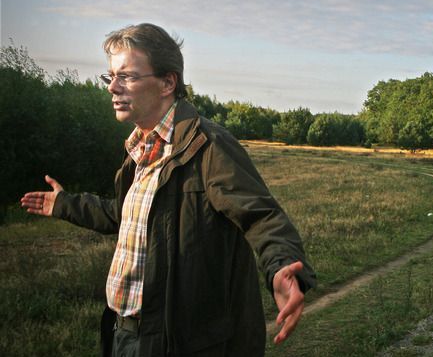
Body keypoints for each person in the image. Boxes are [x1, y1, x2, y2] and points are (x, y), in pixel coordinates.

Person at [20, 23, 316, 356]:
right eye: (110, 76)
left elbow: (262, 217)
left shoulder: (208, 145)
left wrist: (281, 267)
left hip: (178, 342)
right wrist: (64, 204)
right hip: (123, 334)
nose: (112, 88)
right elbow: (127, 216)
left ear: (167, 82)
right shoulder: (140, 151)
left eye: (127, 76)